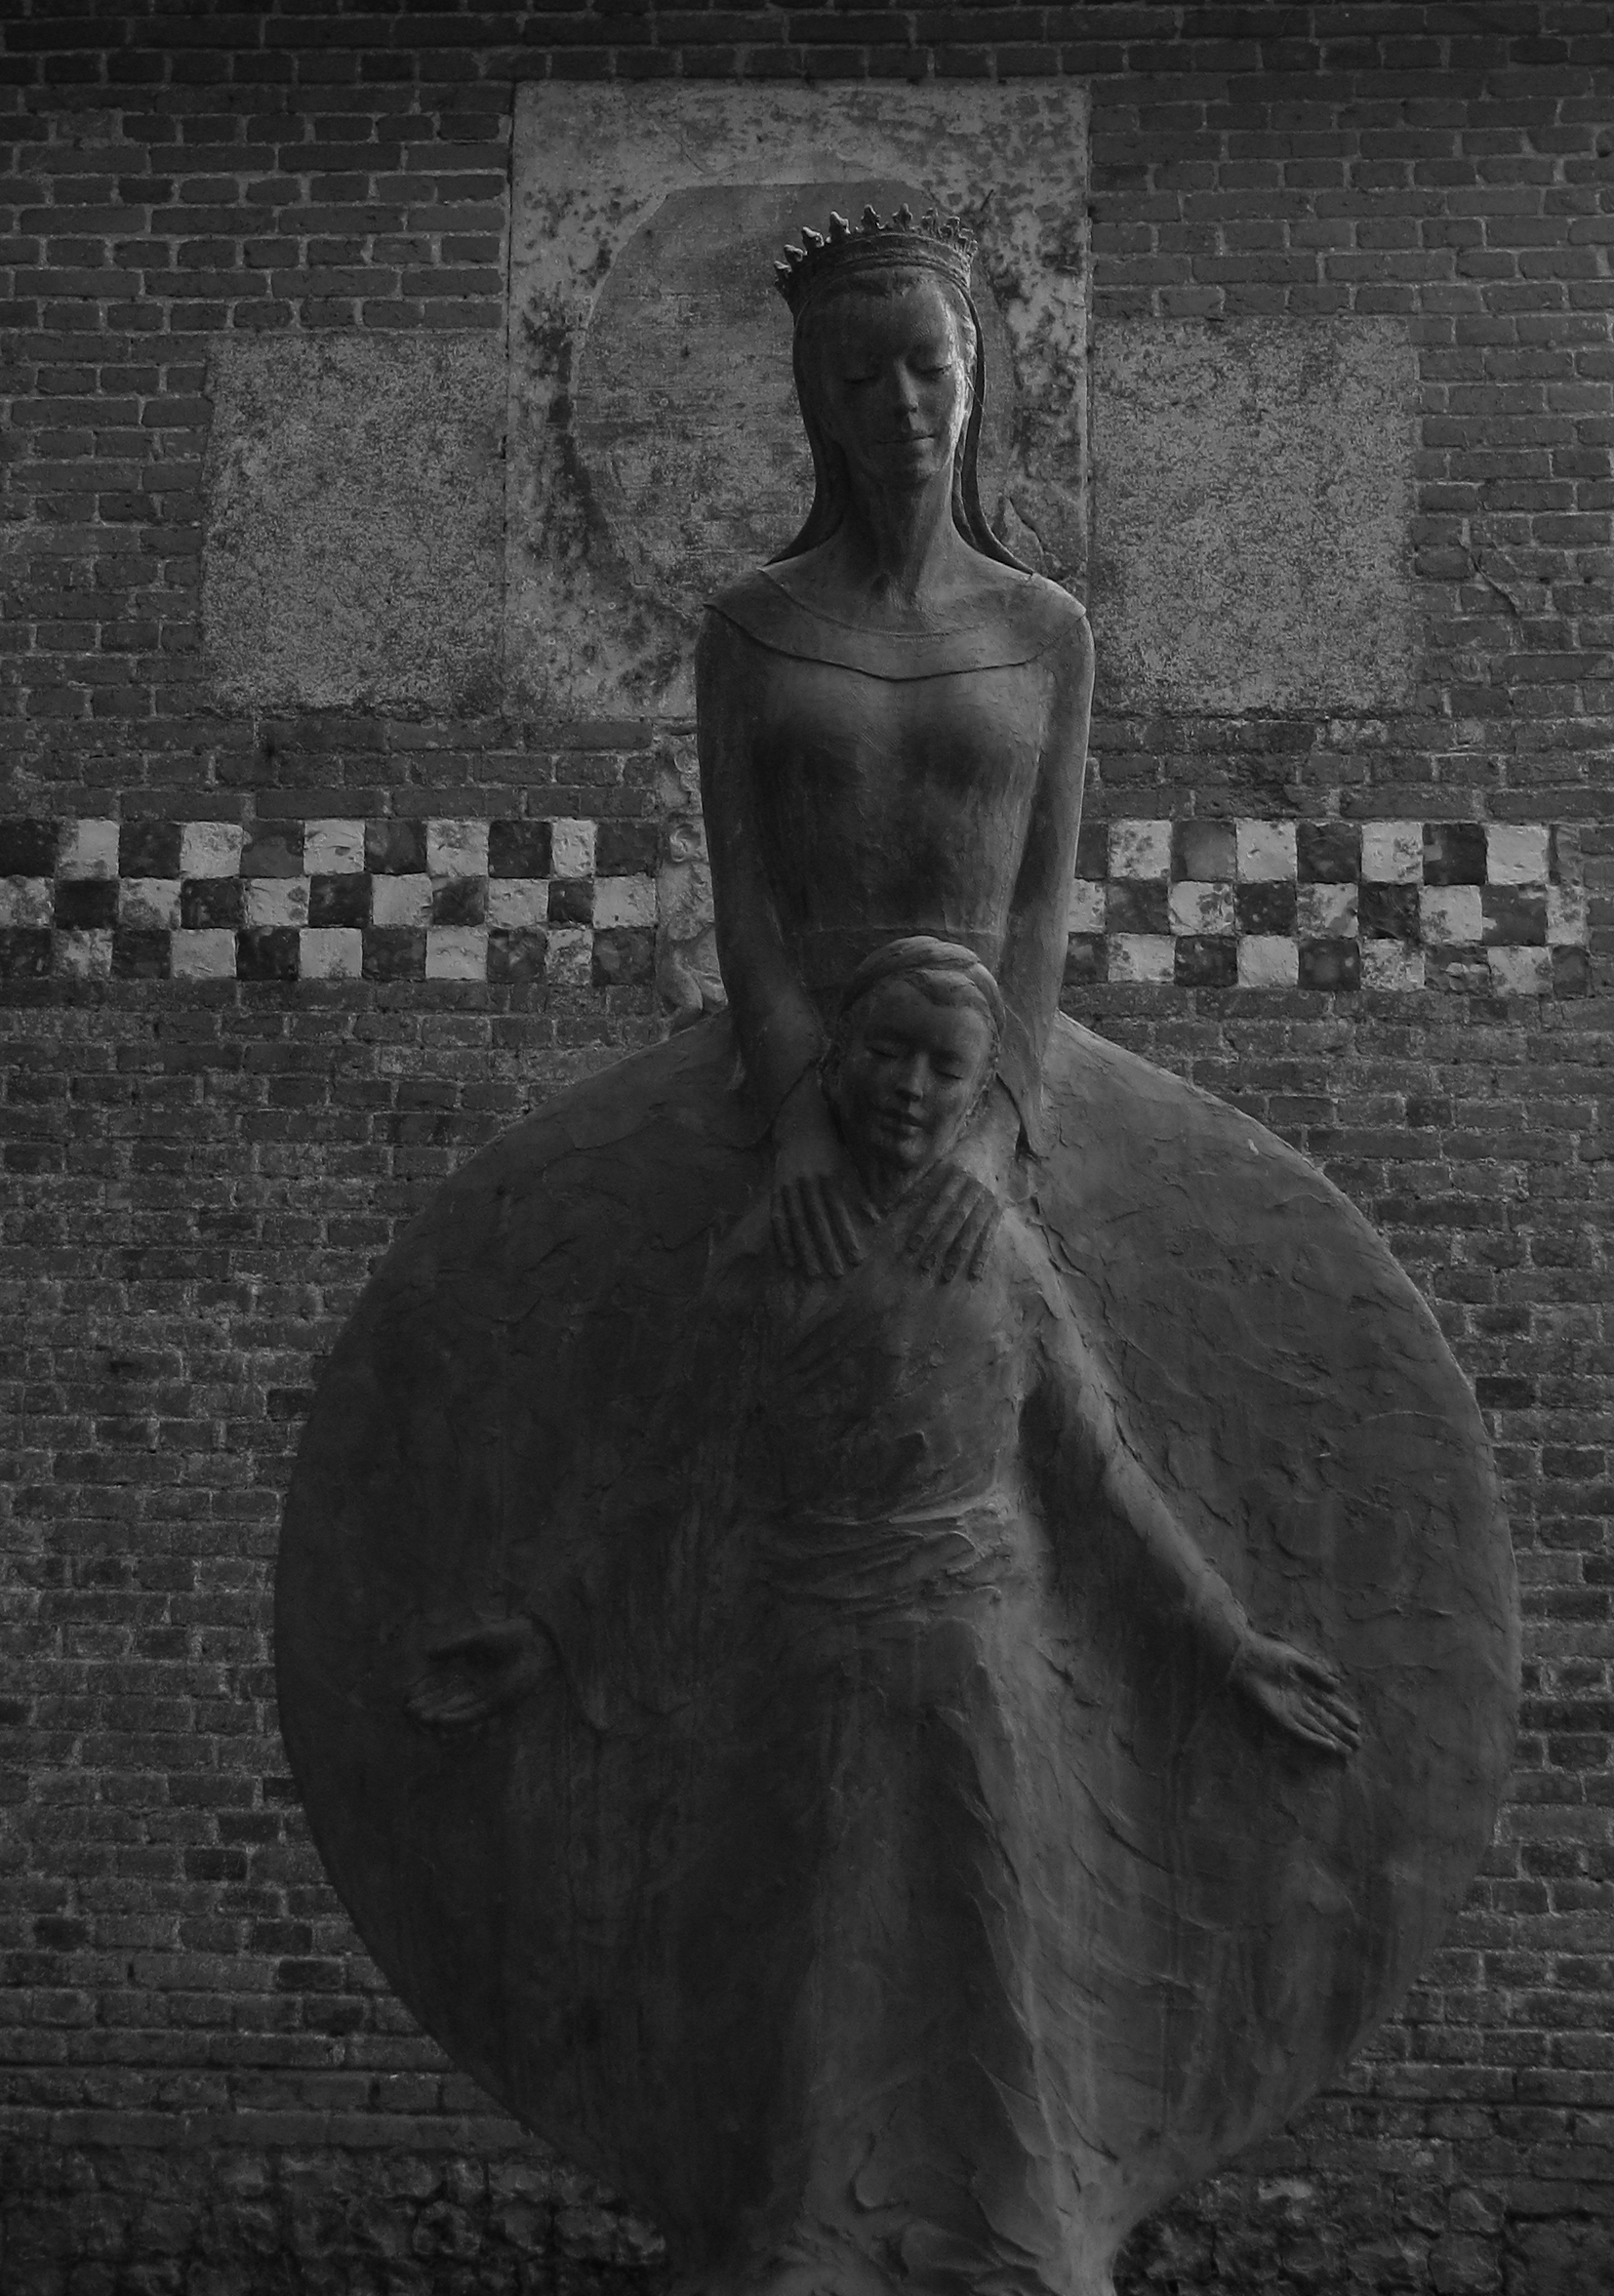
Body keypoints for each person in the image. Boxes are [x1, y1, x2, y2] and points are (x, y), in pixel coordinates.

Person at [275, 209, 1518, 2296]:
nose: (902, 404)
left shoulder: (1043, 631)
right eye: (859, 374)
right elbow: (751, 906)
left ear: (977, 377)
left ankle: (1021, 2195)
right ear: (814, 402)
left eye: (930, 364)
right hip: (802, 1114)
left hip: (983, 1109)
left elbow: (1037, 907)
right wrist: (796, 1126)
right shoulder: (754, 632)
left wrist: (994, 1136)